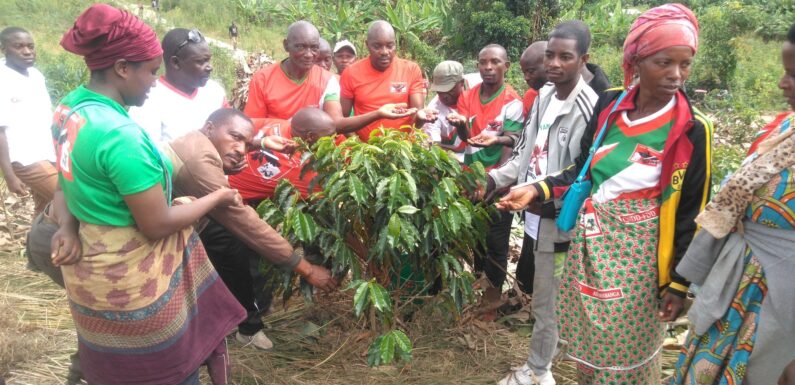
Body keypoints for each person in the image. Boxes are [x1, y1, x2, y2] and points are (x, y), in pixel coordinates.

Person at [497, 4, 711, 383]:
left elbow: (692, 212)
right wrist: (536, 188)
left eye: (685, 64)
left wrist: (678, 283)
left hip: (640, 262)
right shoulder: (610, 105)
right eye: (664, 62)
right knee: (591, 351)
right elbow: (582, 168)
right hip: (591, 250)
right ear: (637, 61)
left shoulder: (692, 128)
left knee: (627, 356)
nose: (676, 75)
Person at [54, 4, 245, 384]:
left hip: (93, 277)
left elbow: (67, 178)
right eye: (151, 71)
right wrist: (216, 199)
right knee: (166, 369)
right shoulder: (121, 136)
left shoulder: (69, 108)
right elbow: (156, 224)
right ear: (122, 68)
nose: (155, 82)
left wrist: (67, 225)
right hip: (135, 285)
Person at [671, 22, 795, 385]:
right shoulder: (783, 130)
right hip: (738, 286)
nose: (782, 83)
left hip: (779, 298)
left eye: (793, 75)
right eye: (785, 71)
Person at [164, 108, 337, 350]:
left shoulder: (197, 140)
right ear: (210, 127)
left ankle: (243, 320)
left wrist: (260, 142)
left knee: (232, 251)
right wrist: (307, 269)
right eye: (235, 137)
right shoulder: (200, 164)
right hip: (161, 233)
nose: (241, 149)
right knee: (236, 244)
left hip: (190, 216)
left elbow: (233, 140)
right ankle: (236, 328)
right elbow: (246, 223)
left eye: (245, 143)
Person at [490, 21, 598, 385]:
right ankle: (545, 359)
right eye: (550, 55)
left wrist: (543, 198)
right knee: (544, 296)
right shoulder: (545, 97)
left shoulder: (589, 107)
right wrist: (494, 179)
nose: (554, 63)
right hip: (533, 211)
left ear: (583, 59)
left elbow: (581, 171)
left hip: (557, 218)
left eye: (565, 57)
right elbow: (525, 154)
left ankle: (538, 371)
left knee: (547, 302)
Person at [447, 44, 524, 312]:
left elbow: (512, 143)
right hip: (471, 179)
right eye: (483, 62)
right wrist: (461, 127)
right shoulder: (468, 96)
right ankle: (477, 289)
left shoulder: (512, 101)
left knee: (497, 241)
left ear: (506, 66)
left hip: (498, 181)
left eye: (494, 62)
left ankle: (492, 300)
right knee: (476, 237)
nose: (488, 67)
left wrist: (497, 182)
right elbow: (466, 139)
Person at [128, 28, 227, 143]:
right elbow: (147, 153)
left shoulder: (215, 91)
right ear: (175, 63)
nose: (209, 67)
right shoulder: (148, 100)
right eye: (201, 61)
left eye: (208, 60)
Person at [0, 27, 57, 217]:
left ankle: (37, 246)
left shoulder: (36, 75)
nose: (27, 51)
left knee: (46, 210)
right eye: (19, 46)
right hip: (25, 158)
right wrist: (9, 175)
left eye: (30, 46)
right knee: (69, 198)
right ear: (4, 49)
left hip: (47, 152)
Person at [339, 20, 425, 140]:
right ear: (367, 45)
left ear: (396, 44)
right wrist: (359, 147)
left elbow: (417, 112)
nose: (384, 52)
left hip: (402, 149)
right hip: (365, 150)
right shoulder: (351, 73)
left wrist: (422, 118)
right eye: (377, 46)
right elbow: (342, 120)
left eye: (390, 46)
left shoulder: (411, 69)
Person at [232, 108, 337, 202]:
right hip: (227, 191)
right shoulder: (300, 168)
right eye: (330, 137)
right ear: (310, 137)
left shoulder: (282, 124)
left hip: (222, 162)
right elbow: (328, 197)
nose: (333, 142)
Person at [416, 61, 476, 162]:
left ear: (461, 83)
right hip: (455, 158)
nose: (444, 95)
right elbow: (434, 147)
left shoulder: (478, 85)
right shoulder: (434, 112)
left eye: (449, 89)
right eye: (440, 90)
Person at [519, 41, 548, 117]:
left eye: (531, 71)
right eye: (524, 73)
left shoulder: (566, 96)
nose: (526, 78)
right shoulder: (530, 96)